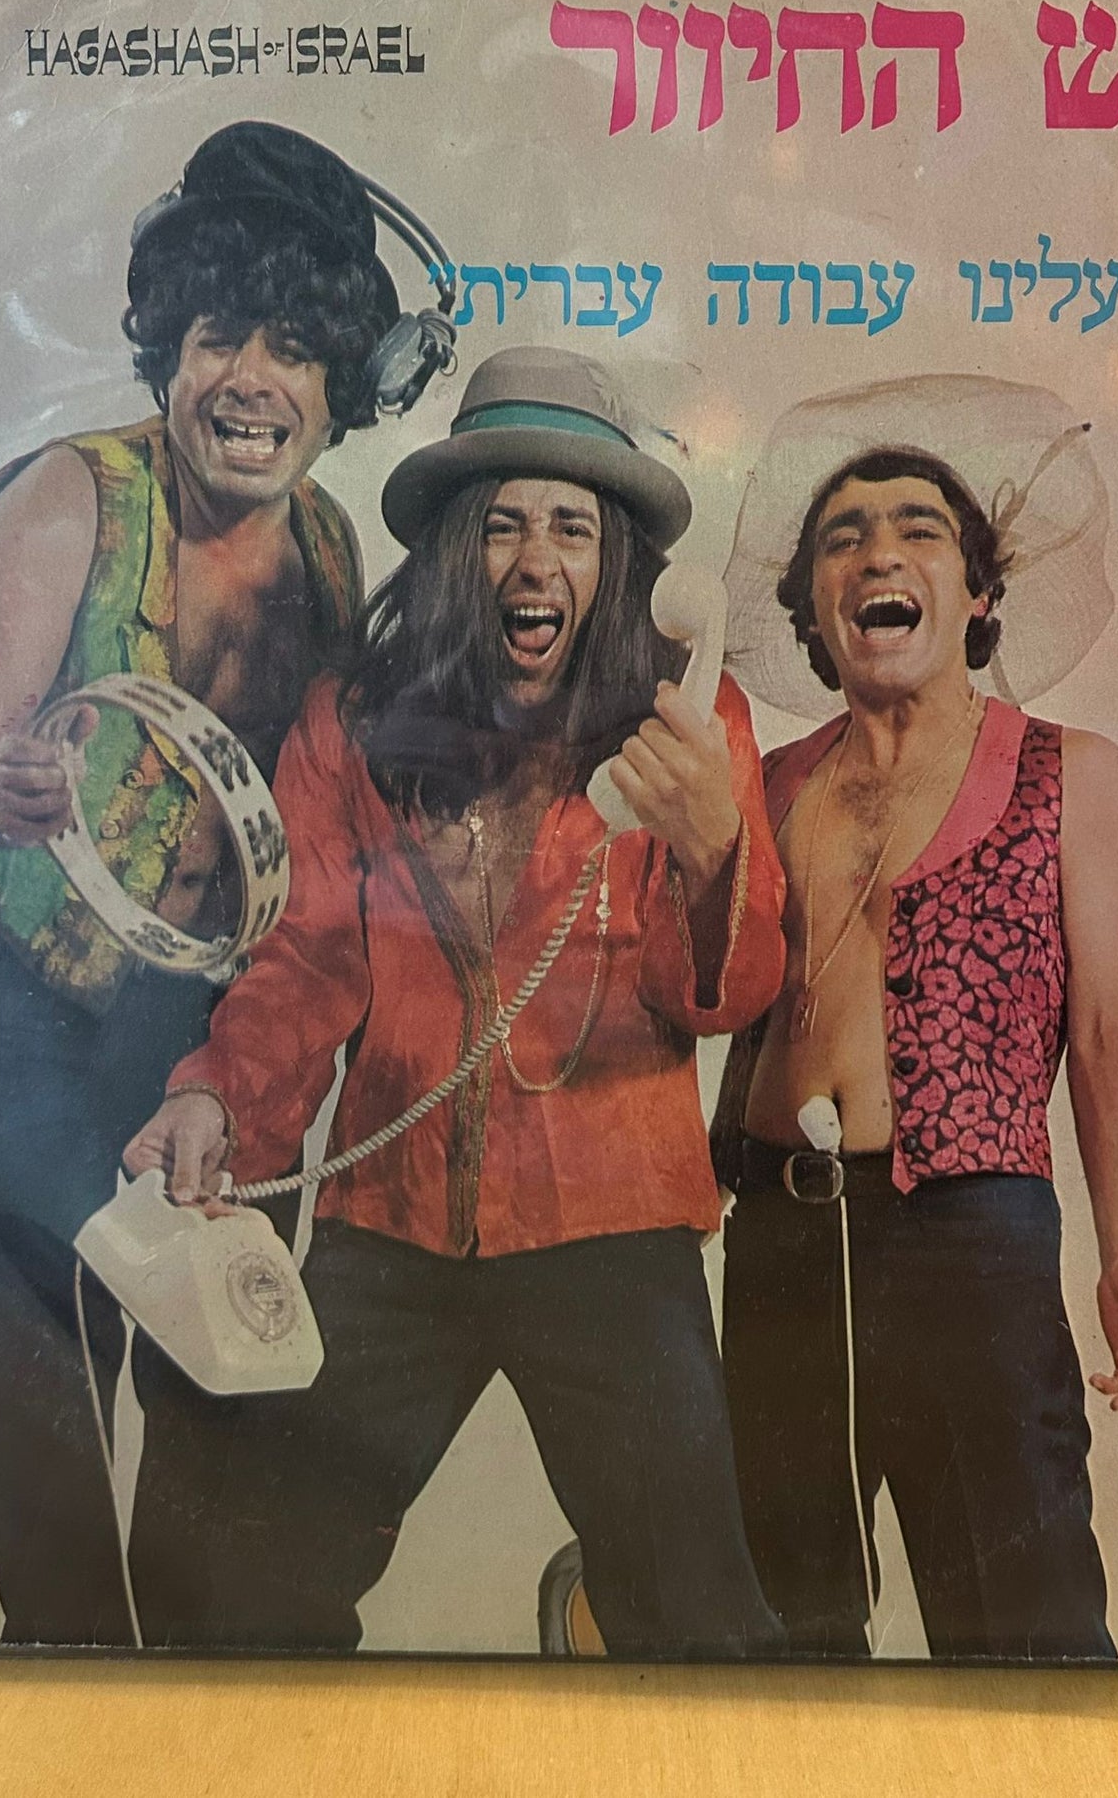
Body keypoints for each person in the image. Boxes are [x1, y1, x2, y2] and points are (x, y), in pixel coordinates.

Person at [123, 346, 787, 1658]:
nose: (536, 561)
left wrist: (712, 846)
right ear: (450, 551)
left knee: (701, 1624)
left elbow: (720, 994)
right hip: (391, 1222)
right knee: (258, 1596)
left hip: (612, 1230)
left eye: (571, 528)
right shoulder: (351, 720)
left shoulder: (689, 719)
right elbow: (305, 958)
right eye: (501, 525)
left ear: (614, 563)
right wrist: (215, 1099)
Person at [0, 121, 418, 1645]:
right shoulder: (70, 495)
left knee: (218, 1324)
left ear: (343, 383)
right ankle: (63, 1663)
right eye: (216, 338)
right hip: (23, 997)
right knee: (54, 1328)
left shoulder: (327, 545)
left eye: (294, 348)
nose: (251, 379)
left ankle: (205, 1657)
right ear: (166, 355)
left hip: (204, 1013)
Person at [712, 439, 1118, 1661]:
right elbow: (718, 994)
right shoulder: (768, 786)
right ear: (813, 611)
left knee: (1021, 1623)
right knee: (784, 1627)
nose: (877, 551)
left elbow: (1105, 1035)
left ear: (978, 592)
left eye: (917, 529)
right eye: (842, 538)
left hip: (969, 1237)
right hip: (781, 1237)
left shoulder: (1073, 776)